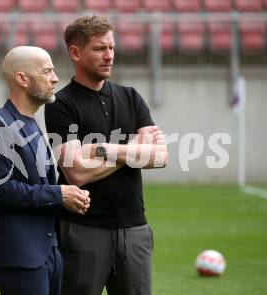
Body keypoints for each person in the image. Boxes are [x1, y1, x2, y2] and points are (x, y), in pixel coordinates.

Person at [44, 15, 168, 295]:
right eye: (100, 49)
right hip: (84, 230)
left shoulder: (131, 96)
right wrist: (135, 148)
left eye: (111, 47)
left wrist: (105, 149)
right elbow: (76, 173)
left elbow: (160, 156)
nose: (109, 55)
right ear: (75, 52)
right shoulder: (60, 105)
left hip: (136, 228)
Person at [0, 46, 91, 295]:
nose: (55, 78)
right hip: (21, 257)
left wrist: (69, 196)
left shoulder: (32, 123)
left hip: (48, 252)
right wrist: (59, 194)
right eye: (47, 71)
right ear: (22, 78)